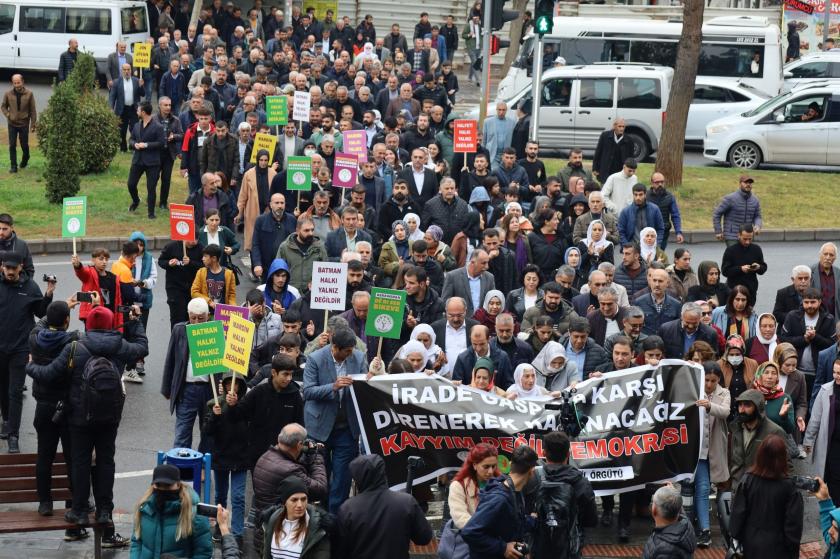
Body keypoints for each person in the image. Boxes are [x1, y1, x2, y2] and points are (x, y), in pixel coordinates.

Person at [27, 304, 146, 545]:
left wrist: (29, 365)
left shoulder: (76, 346)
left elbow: (49, 373)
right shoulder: (118, 345)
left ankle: (79, 511)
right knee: (105, 462)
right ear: (111, 323)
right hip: (110, 416)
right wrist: (136, 322)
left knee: (80, 462)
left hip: (80, 417)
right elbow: (142, 347)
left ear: (87, 324)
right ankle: (104, 511)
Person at [302, 328, 368, 514]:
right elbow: (308, 392)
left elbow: (364, 385)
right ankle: (323, 513)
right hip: (320, 427)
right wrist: (334, 386)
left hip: (347, 428)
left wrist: (370, 378)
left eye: (352, 350)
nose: (350, 354)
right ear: (335, 348)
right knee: (322, 475)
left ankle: (335, 518)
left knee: (342, 477)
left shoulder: (358, 357)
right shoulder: (315, 359)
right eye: (347, 351)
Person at [250, 422, 327, 555]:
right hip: (282, 539)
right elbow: (319, 488)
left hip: (264, 533)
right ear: (298, 445)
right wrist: (317, 457)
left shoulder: (266, 457)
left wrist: (306, 454)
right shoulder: (290, 470)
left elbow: (292, 463)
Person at [335, 454, 432, 559]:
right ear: (383, 472)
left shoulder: (348, 509)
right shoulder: (406, 502)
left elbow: (340, 551)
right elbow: (424, 538)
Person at [730, 434, 804, 559]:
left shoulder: (748, 481)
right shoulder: (790, 488)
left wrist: (737, 537)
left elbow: (737, 515)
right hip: (780, 549)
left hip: (751, 545)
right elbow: (794, 526)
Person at [461, 445, 538, 559]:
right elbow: (470, 532)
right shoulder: (499, 498)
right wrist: (503, 548)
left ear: (511, 464)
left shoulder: (515, 491)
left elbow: (510, 523)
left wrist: (531, 520)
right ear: (532, 471)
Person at [531, 430, 597, 559]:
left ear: (544, 453)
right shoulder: (581, 483)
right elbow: (591, 520)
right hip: (569, 549)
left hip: (539, 546)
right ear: (568, 454)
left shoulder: (533, 478)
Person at [161, 298, 214, 452]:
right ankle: (181, 471)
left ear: (208, 316)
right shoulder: (179, 330)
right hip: (186, 389)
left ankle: (203, 468)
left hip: (209, 390)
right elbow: (170, 359)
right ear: (189, 316)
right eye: (193, 318)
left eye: (201, 318)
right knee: (182, 432)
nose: (196, 322)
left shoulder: (215, 331)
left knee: (208, 432)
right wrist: (167, 388)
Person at [129, 464, 213, 559]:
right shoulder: (144, 508)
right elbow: (136, 542)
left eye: (168, 485)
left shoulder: (195, 515)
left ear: (178, 484)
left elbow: (203, 553)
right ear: (153, 485)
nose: (162, 488)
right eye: (158, 485)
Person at [202, 374, 249, 543]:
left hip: (240, 457)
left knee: (238, 497)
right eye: (229, 384)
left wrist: (235, 406)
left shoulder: (246, 404)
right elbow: (207, 431)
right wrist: (214, 416)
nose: (232, 388)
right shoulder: (213, 403)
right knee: (220, 496)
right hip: (221, 455)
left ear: (240, 387)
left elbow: (246, 426)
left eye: (236, 384)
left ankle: (236, 532)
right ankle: (220, 528)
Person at [692, 361, 731, 547]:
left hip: (714, 449)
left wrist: (709, 406)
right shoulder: (693, 389)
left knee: (713, 487)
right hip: (697, 451)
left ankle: (708, 527)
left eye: (713, 381)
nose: (709, 384)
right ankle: (705, 530)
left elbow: (725, 412)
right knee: (703, 488)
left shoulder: (724, 393)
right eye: (706, 380)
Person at [729, 389, 790, 490]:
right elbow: (733, 459)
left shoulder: (774, 432)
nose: (742, 410)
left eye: (747, 405)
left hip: (762, 492)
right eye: (740, 405)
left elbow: (786, 466)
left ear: (758, 408)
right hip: (738, 489)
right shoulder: (735, 428)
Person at [260, 476, 330, 559]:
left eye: (303, 499)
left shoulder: (317, 527)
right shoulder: (272, 520)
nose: (300, 505)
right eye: (294, 500)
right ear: (284, 502)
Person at [805, 353, 840, 501]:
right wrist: (808, 440)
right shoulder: (826, 390)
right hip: (832, 444)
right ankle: (834, 515)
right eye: (834, 372)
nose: (836, 376)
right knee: (833, 479)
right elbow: (816, 418)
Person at [780, 286, 835, 379]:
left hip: (819, 373)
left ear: (820, 302)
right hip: (795, 371)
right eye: (806, 302)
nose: (809, 305)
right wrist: (804, 339)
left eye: (813, 302)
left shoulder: (828, 319)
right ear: (802, 302)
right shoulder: (792, 316)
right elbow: (783, 340)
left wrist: (815, 338)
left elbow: (832, 345)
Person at [127, 102, 166, 218]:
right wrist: (135, 145)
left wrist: (147, 145)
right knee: (131, 184)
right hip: (138, 160)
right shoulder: (136, 125)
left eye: (138, 110)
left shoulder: (158, 127)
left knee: (151, 188)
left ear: (143, 112)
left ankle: (151, 213)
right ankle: (136, 201)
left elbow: (161, 143)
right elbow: (131, 140)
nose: (137, 112)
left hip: (152, 162)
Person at [448, 444, 500, 530]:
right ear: (474, 465)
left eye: (493, 466)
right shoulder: (458, 486)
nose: (490, 471)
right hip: (471, 538)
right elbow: (460, 518)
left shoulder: (500, 483)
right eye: (486, 467)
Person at [641, 484, 695, 559]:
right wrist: (673, 495)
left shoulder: (662, 551)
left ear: (654, 510)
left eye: (653, 502)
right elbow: (679, 509)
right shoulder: (686, 526)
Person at [277, 217, 329, 293]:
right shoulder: (285, 247)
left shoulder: (320, 247)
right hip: (291, 293)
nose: (310, 233)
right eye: (306, 230)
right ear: (298, 231)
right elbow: (278, 270)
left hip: (313, 293)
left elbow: (326, 272)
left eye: (312, 230)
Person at [773, 342, 809, 446]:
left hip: (789, 424)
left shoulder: (799, 376)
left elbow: (802, 403)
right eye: (787, 365)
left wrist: (800, 416)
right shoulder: (768, 372)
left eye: (794, 365)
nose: (791, 368)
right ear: (778, 361)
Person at [441, 249, 495, 316]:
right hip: (460, 322)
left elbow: (493, 300)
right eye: (483, 263)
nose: (487, 267)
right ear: (472, 262)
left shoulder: (489, 277)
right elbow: (445, 301)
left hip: (482, 323)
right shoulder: (452, 276)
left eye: (487, 263)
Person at [712, 175, 762, 245]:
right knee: (735, 255)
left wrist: (758, 225)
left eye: (750, 183)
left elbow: (757, 216)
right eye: (745, 182)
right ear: (740, 184)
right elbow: (717, 214)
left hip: (747, 236)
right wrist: (718, 231)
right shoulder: (730, 198)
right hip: (732, 236)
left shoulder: (755, 200)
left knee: (746, 256)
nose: (748, 184)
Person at [1, 74, 37, 173]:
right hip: (12, 124)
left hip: (24, 124)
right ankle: (13, 166)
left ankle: (25, 158)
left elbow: (33, 111)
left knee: (24, 145)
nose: (17, 85)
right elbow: (3, 106)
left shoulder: (29, 94)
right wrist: (8, 114)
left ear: (22, 82)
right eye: (15, 83)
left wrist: (33, 125)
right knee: (12, 145)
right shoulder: (8, 94)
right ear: (13, 83)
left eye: (18, 82)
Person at [109, 63, 144, 153]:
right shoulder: (117, 82)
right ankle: (123, 148)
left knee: (134, 128)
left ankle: (133, 147)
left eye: (128, 69)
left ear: (131, 70)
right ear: (121, 71)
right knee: (122, 129)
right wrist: (111, 108)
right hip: (122, 109)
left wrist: (141, 86)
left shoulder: (136, 80)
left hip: (133, 108)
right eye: (124, 70)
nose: (126, 71)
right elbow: (112, 96)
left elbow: (142, 94)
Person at [191, 244, 236, 311]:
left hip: (222, 313)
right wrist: (209, 301)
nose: (202, 259)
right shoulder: (201, 272)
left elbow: (231, 295)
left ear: (214, 258)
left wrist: (233, 308)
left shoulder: (229, 274)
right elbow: (194, 292)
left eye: (205, 256)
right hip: (205, 312)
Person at [646, 172, 684, 249]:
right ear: (652, 183)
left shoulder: (669, 197)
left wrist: (678, 232)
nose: (660, 184)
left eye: (662, 182)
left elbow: (675, 215)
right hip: (648, 231)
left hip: (663, 231)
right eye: (657, 182)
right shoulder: (645, 196)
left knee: (659, 254)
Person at [592, 118, 633, 183]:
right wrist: (595, 168)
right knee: (604, 191)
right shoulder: (605, 136)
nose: (622, 129)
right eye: (619, 126)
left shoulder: (629, 140)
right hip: (606, 170)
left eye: (623, 126)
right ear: (614, 126)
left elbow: (631, 158)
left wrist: (630, 170)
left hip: (620, 172)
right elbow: (598, 152)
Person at [811, 242, 840, 319]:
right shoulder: (810, 272)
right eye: (825, 254)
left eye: (831, 255)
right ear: (820, 255)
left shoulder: (838, 273)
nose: (828, 257)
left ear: (835, 258)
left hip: (834, 319)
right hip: (815, 317)